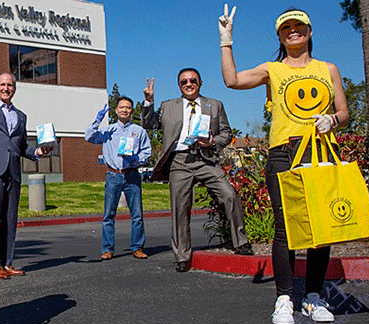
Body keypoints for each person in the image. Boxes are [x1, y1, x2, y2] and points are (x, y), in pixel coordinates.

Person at [219, 4, 347, 324]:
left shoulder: (327, 69)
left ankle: (314, 297)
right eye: (286, 27)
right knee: (285, 228)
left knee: (320, 229)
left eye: (299, 26)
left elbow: (344, 113)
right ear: (279, 35)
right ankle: (285, 297)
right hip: (283, 153)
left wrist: (332, 119)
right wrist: (226, 39)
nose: (293, 31)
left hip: (319, 152)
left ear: (309, 32)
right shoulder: (272, 70)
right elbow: (232, 81)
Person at [141, 68, 252, 272]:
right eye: (184, 82)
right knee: (180, 208)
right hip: (179, 161)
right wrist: (149, 101)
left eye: (192, 80)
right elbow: (149, 124)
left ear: (200, 82)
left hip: (206, 158)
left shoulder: (215, 105)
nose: (188, 84)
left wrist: (213, 141)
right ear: (179, 86)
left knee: (229, 195)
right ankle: (182, 255)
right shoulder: (168, 106)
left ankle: (241, 242)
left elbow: (226, 133)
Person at [0, 73, 51, 280]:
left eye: (10, 85)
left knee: (10, 219)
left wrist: (37, 153)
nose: (6, 88)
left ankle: (7, 262)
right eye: (2, 84)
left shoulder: (21, 116)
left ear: (14, 88)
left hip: (13, 170)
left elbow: (22, 146)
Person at [85, 96, 152, 260]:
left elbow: (147, 152)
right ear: (116, 110)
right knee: (108, 215)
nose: (124, 110)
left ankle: (137, 247)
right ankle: (107, 249)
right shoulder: (108, 130)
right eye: (121, 107)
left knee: (137, 214)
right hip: (113, 175)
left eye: (128, 107)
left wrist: (136, 160)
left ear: (132, 111)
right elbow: (89, 137)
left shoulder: (139, 131)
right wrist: (97, 120)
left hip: (132, 175)